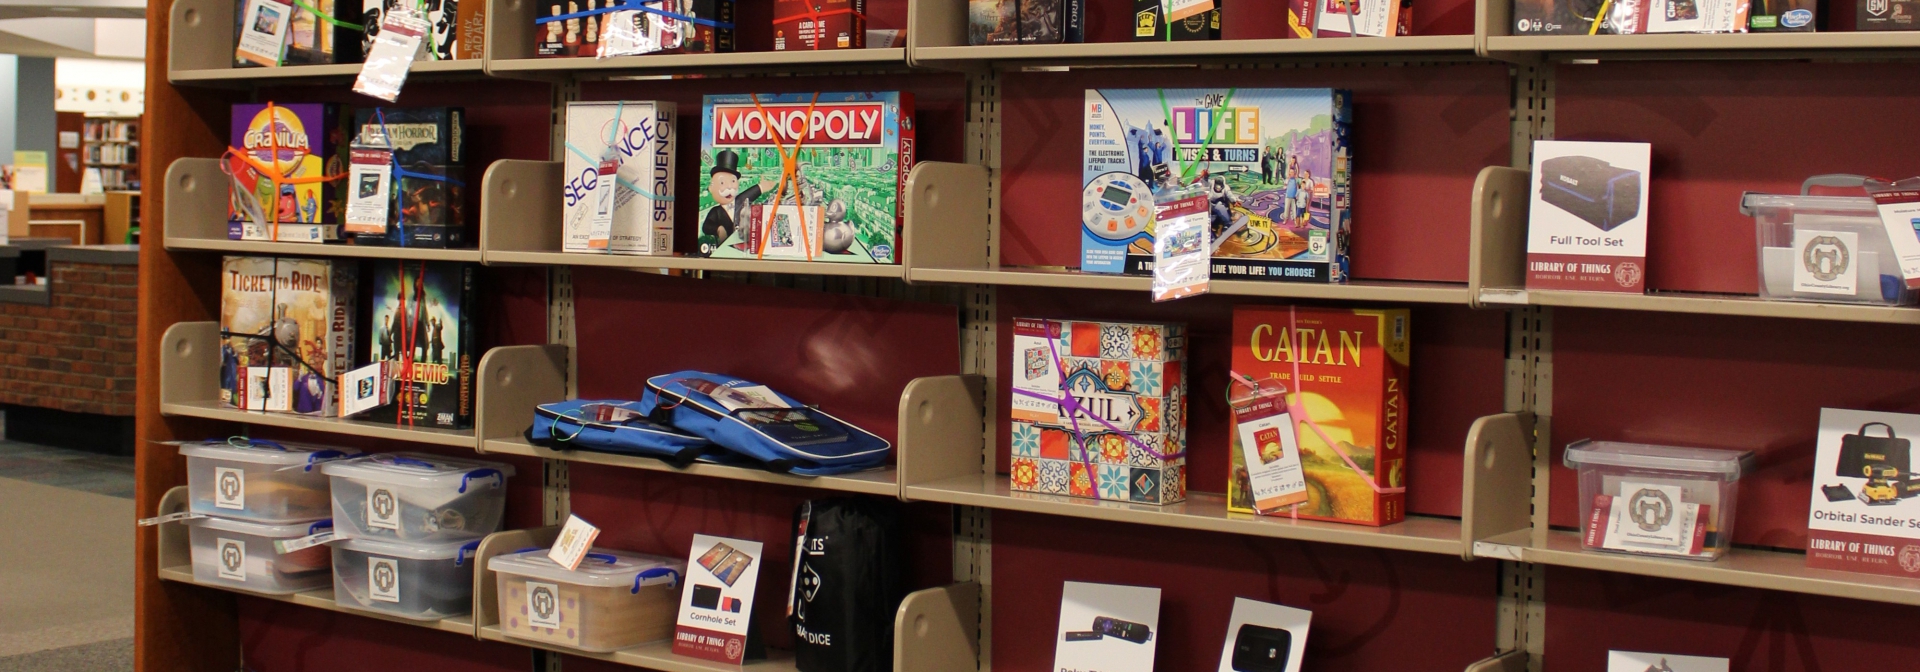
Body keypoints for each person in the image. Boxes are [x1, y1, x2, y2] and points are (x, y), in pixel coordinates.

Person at [700, 149, 774, 255]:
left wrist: (762, 187)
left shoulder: (740, 201)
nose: (729, 187)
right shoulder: (715, 212)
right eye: (722, 182)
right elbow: (706, 227)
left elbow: (751, 193)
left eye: (733, 181)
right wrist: (719, 229)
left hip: (747, 248)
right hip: (725, 252)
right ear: (711, 188)